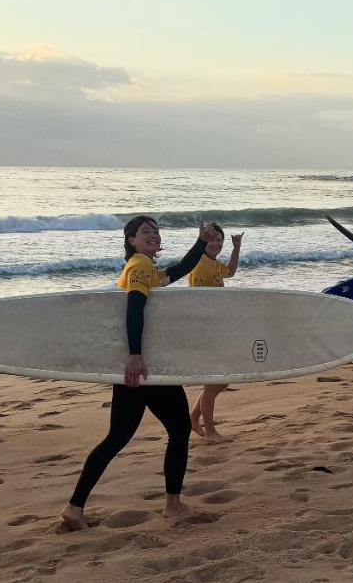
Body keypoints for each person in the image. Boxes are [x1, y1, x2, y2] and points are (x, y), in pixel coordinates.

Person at [61, 216, 218, 531]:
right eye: (146, 231)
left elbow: (181, 269)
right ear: (130, 239)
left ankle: (74, 507)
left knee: (117, 437)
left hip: (135, 369)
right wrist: (135, 355)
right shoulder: (140, 268)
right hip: (145, 368)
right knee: (178, 430)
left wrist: (201, 242)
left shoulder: (147, 270)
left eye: (157, 231)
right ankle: (172, 504)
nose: (154, 235)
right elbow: (134, 308)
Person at [187, 223, 242, 444]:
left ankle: (193, 419)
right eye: (211, 240)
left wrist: (236, 247)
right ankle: (210, 432)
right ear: (202, 240)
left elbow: (230, 272)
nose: (216, 244)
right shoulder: (200, 265)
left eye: (219, 240)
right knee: (214, 383)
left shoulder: (213, 263)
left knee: (221, 381)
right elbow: (199, 304)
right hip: (206, 332)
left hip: (218, 329)